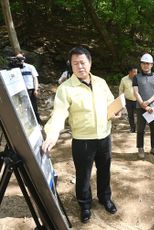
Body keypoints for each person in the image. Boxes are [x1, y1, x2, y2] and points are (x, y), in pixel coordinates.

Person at [42, 47, 119, 223]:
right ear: (71, 65)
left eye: (83, 62)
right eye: (75, 63)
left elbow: (111, 102)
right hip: (83, 141)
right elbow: (59, 113)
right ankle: (84, 204)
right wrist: (52, 134)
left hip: (104, 136)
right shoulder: (65, 88)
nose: (80, 66)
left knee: (104, 169)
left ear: (90, 63)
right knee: (83, 174)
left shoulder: (101, 82)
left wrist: (116, 111)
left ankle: (105, 198)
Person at [133, 53, 154, 159]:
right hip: (141, 107)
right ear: (141, 64)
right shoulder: (136, 77)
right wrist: (144, 105)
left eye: (148, 63)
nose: (145, 65)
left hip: (153, 107)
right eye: (144, 63)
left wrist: (148, 102)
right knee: (140, 129)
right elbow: (136, 93)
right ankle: (140, 147)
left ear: (151, 65)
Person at [16, 53, 42, 124]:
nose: (19, 60)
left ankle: (38, 122)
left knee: (33, 107)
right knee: (24, 108)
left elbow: (35, 78)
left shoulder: (30, 67)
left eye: (21, 58)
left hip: (30, 90)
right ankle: (28, 123)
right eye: (17, 58)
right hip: (20, 91)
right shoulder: (15, 69)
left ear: (24, 58)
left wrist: (36, 89)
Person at [119, 66, 138, 133]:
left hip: (138, 100)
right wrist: (122, 101)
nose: (136, 73)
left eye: (136, 72)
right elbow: (121, 91)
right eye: (134, 72)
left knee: (139, 114)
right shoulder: (124, 79)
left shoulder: (139, 79)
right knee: (130, 115)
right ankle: (132, 128)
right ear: (130, 72)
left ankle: (139, 128)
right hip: (128, 100)